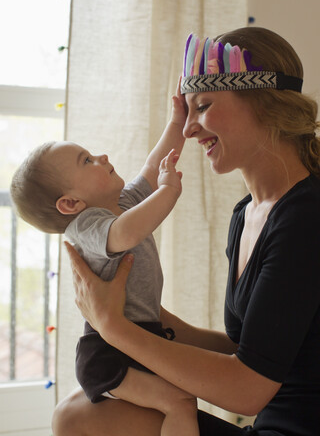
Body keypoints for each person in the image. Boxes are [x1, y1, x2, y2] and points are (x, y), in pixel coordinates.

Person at [52, 26, 320, 436]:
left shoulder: (306, 217)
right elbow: (255, 350)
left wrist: (115, 329)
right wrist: (139, 312)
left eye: (204, 106)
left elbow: (249, 388)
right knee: (77, 409)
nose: (190, 128)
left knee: (77, 418)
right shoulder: (246, 214)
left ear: (263, 102)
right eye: (187, 111)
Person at [10, 84, 202, 436]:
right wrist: (168, 191)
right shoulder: (88, 227)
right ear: (70, 204)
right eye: (87, 161)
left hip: (135, 339)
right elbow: (125, 233)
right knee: (180, 401)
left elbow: (154, 162)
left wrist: (178, 120)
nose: (102, 157)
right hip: (109, 354)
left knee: (173, 405)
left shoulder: (123, 202)